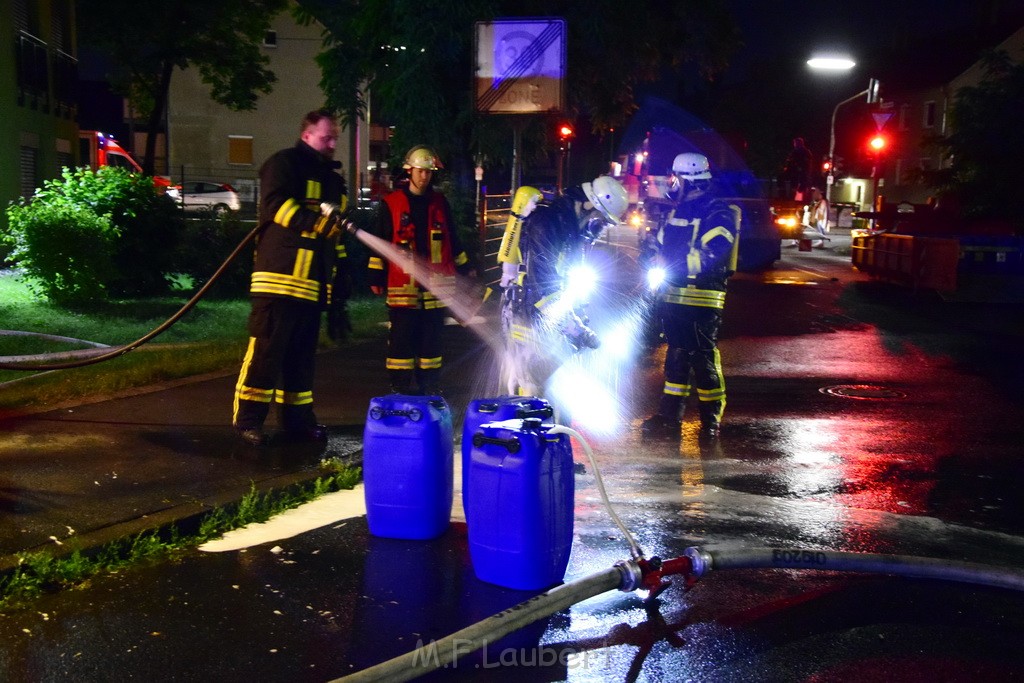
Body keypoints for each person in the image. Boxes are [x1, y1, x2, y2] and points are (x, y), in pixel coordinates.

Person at [232, 109, 349, 447]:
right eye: (326, 136)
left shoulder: (333, 181)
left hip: (312, 286)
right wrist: (314, 222)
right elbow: (275, 205)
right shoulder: (283, 164)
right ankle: (248, 423)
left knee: (300, 360)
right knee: (266, 355)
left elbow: (335, 235)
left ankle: (297, 422)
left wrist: (340, 277)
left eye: (334, 138)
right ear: (307, 133)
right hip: (278, 281)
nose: (331, 143)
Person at [498, 176, 628, 396]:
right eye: (602, 220)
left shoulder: (570, 227)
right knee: (528, 386)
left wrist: (577, 315)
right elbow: (543, 282)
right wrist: (574, 326)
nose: (601, 228)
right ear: (589, 205)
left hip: (544, 315)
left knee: (546, 386)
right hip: (527, 312)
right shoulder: (548, 223)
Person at [641, 152, 739, 441]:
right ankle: (669, 416)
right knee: (676, 356)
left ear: (688, 178)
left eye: (676, 177)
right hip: (674, 295)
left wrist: (675, 264)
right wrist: (649, 256)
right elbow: (660, 245)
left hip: (703, 297)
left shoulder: (716, 211)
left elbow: (716, 248)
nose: (673, 183)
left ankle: (711, 420)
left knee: (703, 358)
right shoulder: (678, 210)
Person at [367, 145, 474, 395]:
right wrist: (375, 274)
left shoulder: (439, 202)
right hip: (403, 289)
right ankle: (400, 388)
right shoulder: (391, 204)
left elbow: (452, 239)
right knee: (401, 344)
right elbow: (381, 242)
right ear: (410, 171)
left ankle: (430, 387)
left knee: (432, 345)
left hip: (435, 290)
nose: (424, 176)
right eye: (420, 172)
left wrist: (466, 266)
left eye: (428, 172)